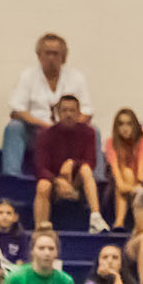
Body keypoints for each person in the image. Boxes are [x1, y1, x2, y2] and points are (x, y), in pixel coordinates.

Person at [3, 33, 94, 177]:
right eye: (47, 53)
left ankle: (96, 178)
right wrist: (45, 126)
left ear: (64, 57)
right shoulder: (28, 76)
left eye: (56, 54)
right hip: (37, 133)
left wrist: (67, 126)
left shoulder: (76, 77)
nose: (51, 58)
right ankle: (11, 177)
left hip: (69, 135)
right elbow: (17, 110)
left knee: (94, 131)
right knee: (14, 127)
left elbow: (87, 112)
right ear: (39, 56)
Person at [33, 95, 107, 232]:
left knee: (85, 168)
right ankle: (40, 229)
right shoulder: (45, 134)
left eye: (72, 110)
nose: (68, 114)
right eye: (64, 110)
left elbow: (91, 161)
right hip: (55, 184)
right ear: (58, 113)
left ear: (79, 113)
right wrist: (58, 181)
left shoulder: (88, 132)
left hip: (78, 182)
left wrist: (72, 163)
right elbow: (40, 167)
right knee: (43, 185)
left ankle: (95, 217)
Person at [104, 108, 143, 230]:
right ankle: (119, 222)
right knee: (126, 173)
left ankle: (126, 223)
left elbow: (142, 175)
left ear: (135, 125)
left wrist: (137, 186)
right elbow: (118, 181)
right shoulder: (111, 142)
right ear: (116, 127)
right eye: (121, 124)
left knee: (129, 174)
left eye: (129, 123)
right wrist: (132, 188)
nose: (125, 128)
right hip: (116, 188)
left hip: (142, 186)